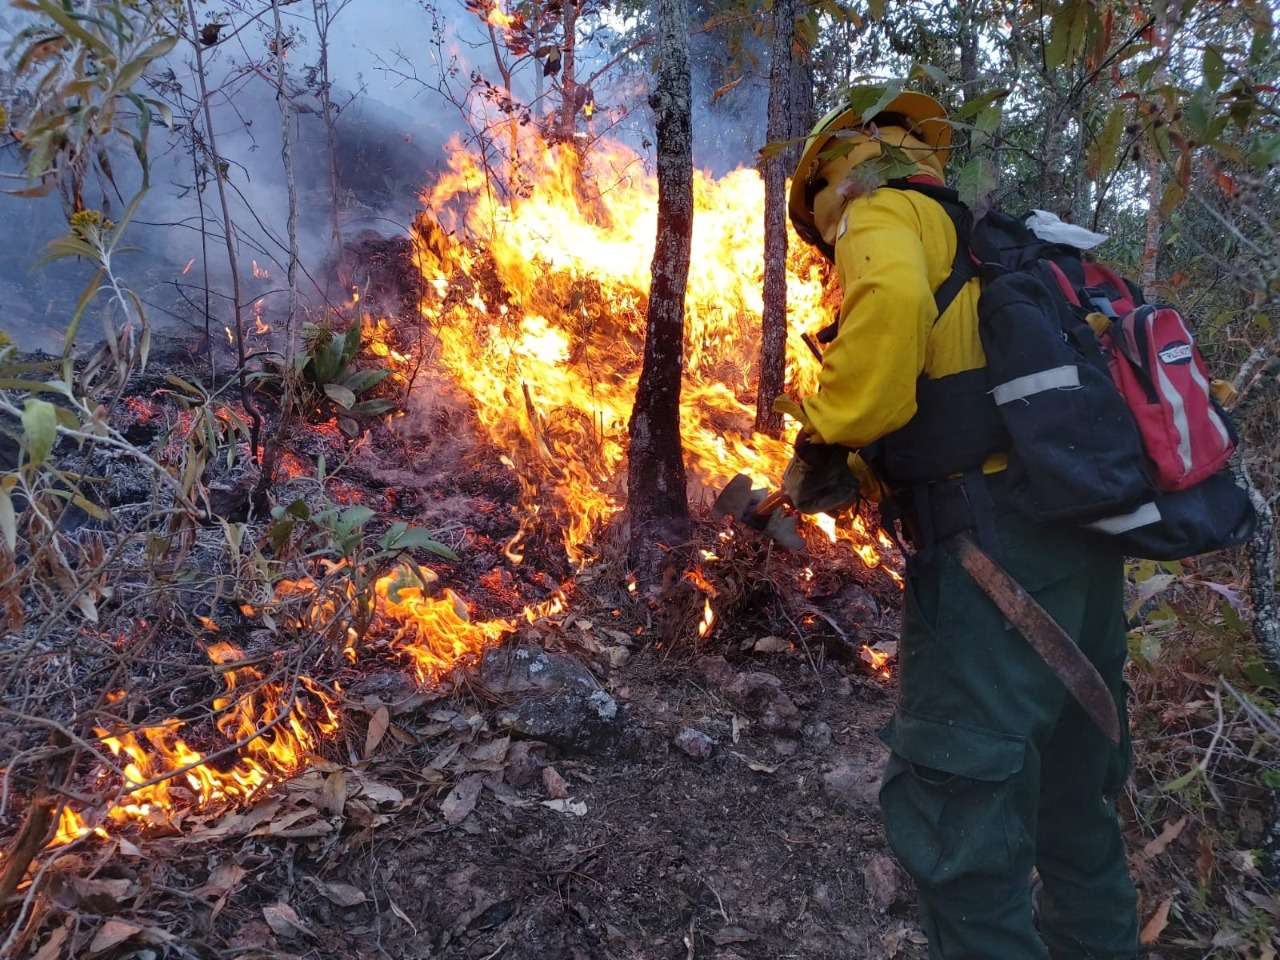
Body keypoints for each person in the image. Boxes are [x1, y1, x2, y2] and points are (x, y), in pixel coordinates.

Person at [786, 90, 1141, 959]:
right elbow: (963, 401)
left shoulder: (885, 217)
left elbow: (895, 311)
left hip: (989, 568)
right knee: (1074, 817)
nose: (831, 237)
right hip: (1079, 550)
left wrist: (830, 432)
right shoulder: (992, 248)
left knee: (965, 837)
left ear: (838, 173)